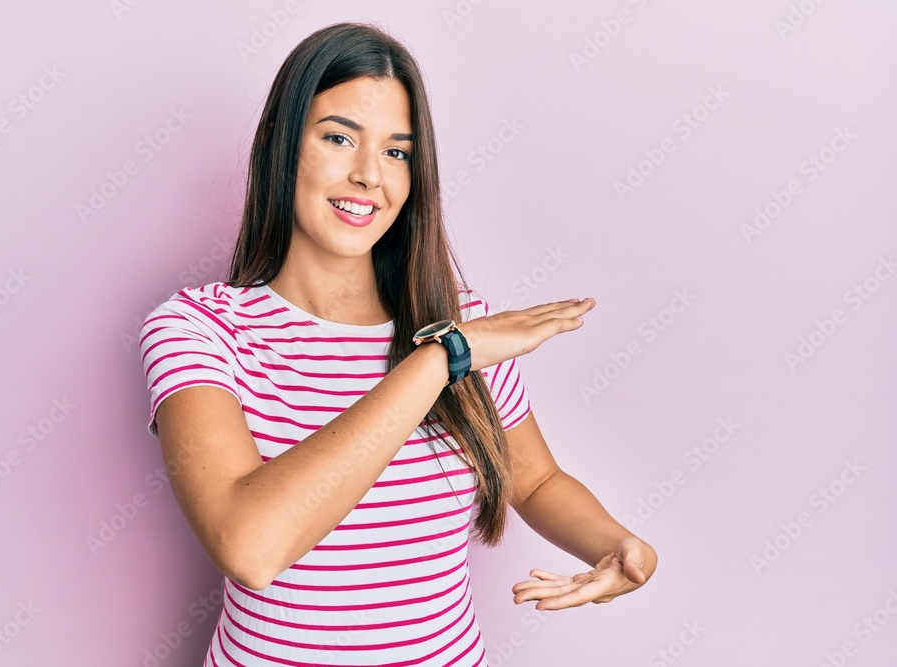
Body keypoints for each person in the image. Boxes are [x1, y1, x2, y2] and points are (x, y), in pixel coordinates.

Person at [139, 21, 657, 666]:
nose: (368, 176)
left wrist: (617, 544)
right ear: (280, 144)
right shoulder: (199, 330)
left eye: (396, 152)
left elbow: (537, 479)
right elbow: (251, 547)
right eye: (337, 138)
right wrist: (440, 360)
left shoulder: (465, 323)